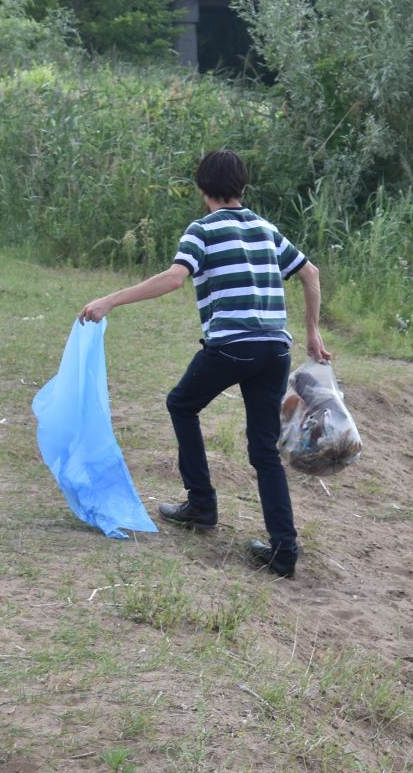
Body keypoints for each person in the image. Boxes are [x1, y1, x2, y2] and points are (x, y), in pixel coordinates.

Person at [80, 149, 329, 579]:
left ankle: (200, 504)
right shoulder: (266, 228)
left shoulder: (202, 229)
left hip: (233, 346)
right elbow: (311, 273)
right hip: (275, 349)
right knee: (263, 450)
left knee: (181, 404)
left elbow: (175, 278)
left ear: (202, 190)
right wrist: (312, 332)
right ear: (242, 188)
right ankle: (283, 551)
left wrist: (109, 301)